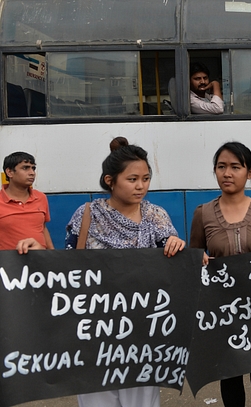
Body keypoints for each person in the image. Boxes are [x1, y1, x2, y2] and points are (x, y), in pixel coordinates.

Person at [65, 136, 185, 407]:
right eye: (132, 179)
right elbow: (67, 269)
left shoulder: (156, 216)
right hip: (95, 329)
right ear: (110, 180)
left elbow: (172, 262)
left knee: (141, 401)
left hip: (143, 331)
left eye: (146, 178)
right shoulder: (86, 215)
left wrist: (176, 246)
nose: (141, 186)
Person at [189, 141, 251, 407]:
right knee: (231, 382)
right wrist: (196, 259)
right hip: (224, 315)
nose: (227, 173)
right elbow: (193, 259)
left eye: (236, 167)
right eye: (221, 167)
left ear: (250, 173)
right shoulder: (203, 213)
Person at [0, 151, 54, 253]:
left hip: (40, 262)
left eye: (33, 168)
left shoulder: (41, 197)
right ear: (9, 172)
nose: (32, 173)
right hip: (8, 265)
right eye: (25, 168)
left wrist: (53, 255)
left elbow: (42, 228)